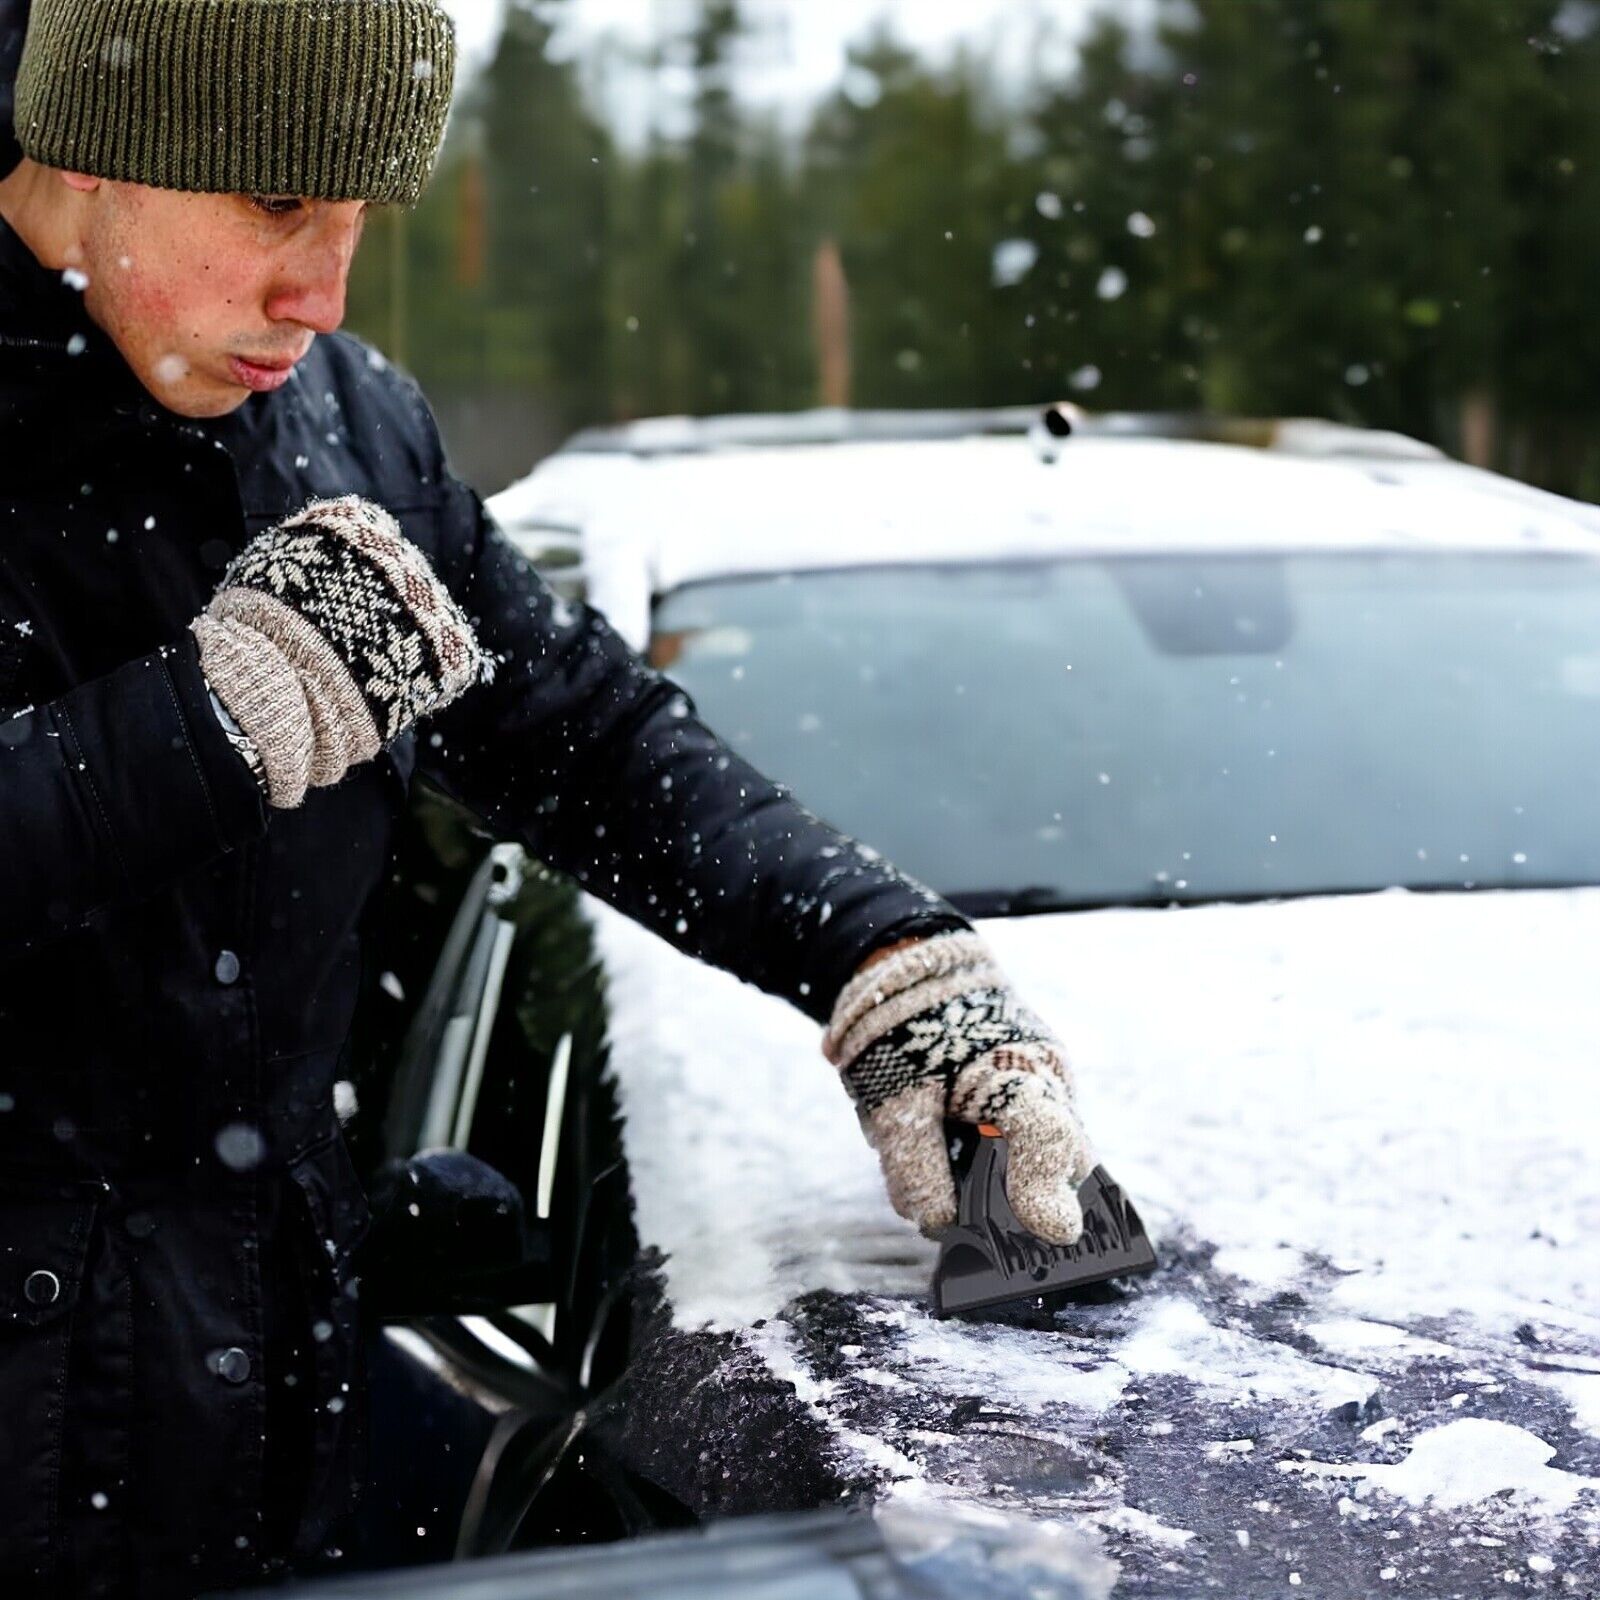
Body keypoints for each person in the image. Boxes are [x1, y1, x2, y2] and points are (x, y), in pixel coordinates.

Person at [0, 1, 1096, 1594]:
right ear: (96, 150)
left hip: (275, 1412)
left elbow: (582, 738)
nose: (322, 292)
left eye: (361, 215)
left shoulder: (347, 425)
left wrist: (878, 959)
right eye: (279, 206)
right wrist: (194, 727)